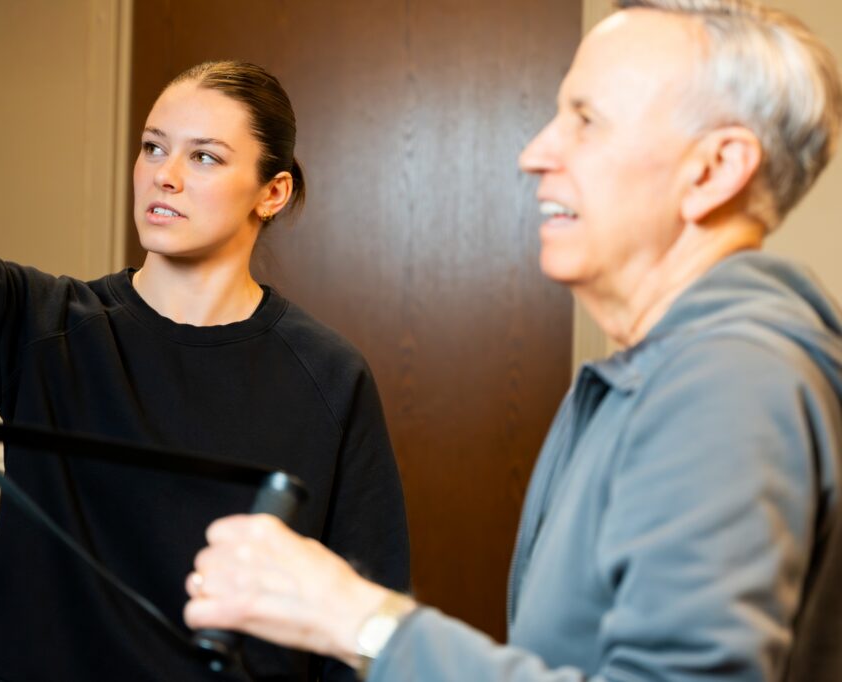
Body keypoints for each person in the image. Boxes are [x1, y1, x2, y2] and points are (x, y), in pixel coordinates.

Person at [183, 2, 842, 681]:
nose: (535, 154)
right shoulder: (654, 375)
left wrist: (357, 619)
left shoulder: (729, 383)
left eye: (586, 120)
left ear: (713, 170)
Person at [0, 60, 409, 680]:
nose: (165, 176)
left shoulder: (330, 377)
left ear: (272, 192)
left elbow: (365, 615)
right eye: (153, 148)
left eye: (204, 157)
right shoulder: (43, 327)